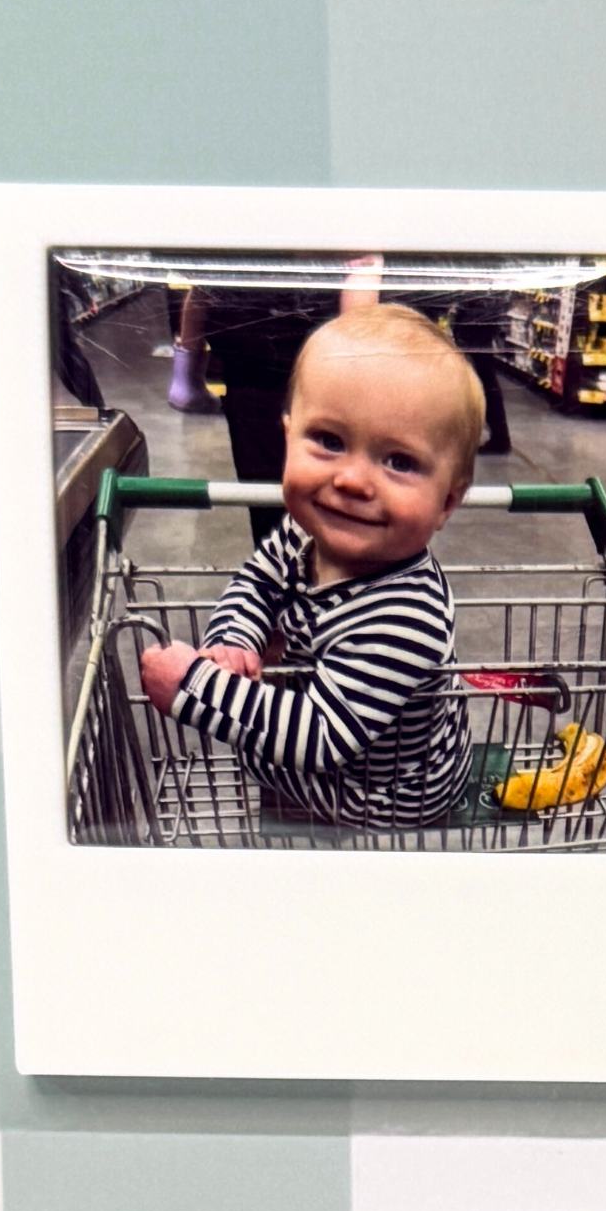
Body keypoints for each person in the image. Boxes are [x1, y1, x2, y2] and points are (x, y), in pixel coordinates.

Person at [136, 304, 484, 833]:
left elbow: (321, 735)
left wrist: (194, 687)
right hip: (339, 753)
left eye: (399, 461)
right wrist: (236, 640)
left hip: (381, 798)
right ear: (287, 437)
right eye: (329, 441)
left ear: (447, 504)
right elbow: (257, 581)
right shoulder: (306, 532)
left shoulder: (407, 612)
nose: (352, 480)